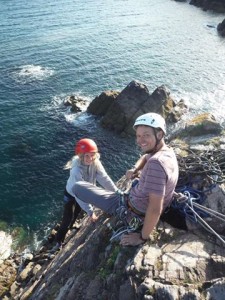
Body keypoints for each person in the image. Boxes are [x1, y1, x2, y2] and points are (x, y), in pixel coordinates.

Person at [73, 113, 179, 246]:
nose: (140, 141)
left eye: (146, 135)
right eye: (138, 136)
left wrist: (142, 237)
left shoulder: (156, 164)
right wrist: (135, 169)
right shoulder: (166, 151)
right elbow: (145, 157)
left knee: (77, 187)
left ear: (159, 134)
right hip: (134, 200)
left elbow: (155, 208)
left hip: (131, 210)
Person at [52, 138, 118, 251]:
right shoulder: (76, 170)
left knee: (76, 213)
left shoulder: (96, 163)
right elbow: (79, 194)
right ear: (81, 155)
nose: (90, 158)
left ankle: (72, 226)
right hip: (71, 195)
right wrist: (90, 212)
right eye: (87, 155)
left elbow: (104, 179)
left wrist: (117, 193)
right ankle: (59, 241)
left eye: (92, 155)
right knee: (66, 219)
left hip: (84, 192)